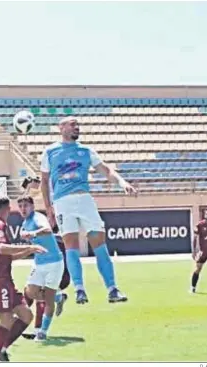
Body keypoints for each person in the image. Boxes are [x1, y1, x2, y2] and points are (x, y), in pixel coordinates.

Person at [40, 116, 136, 304]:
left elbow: (106, 170)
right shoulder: (50, 151)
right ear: (61, 128)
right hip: (62, 202)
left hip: (84, 199)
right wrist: (48, 208)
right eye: (72, 124)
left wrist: (122, 182)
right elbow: (44, 181)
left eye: (78, 125)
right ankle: (79, 289)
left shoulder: (86, 150)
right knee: (71, 246)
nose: (77, 127)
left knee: (99, 242)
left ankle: (112, 289)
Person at [0, 196, 47, 362]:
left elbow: (5, 257)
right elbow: (2, 248)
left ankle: (3, 350)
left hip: (5, 280)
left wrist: (26, 252)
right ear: (7, 210)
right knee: (7, 320)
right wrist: (29, 246)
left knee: (26, 315)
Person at [17, 196, 65, 341]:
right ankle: (59, 297)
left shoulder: (38, 218)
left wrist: (33, 234)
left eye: (25, 205)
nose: (23, 209)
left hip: (54, 262)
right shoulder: (25, 223)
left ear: (32, 206)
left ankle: (42, 332)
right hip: (39, 263)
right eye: (20, 206)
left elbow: (48, 229)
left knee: (48, 300)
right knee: (30, 292)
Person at [191, 208, 207, 293]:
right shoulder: (200, 225)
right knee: (198, 268)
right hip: (204, 251)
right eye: (206, 214)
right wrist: (194, 251)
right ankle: (193, 287)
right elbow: (194, 238)